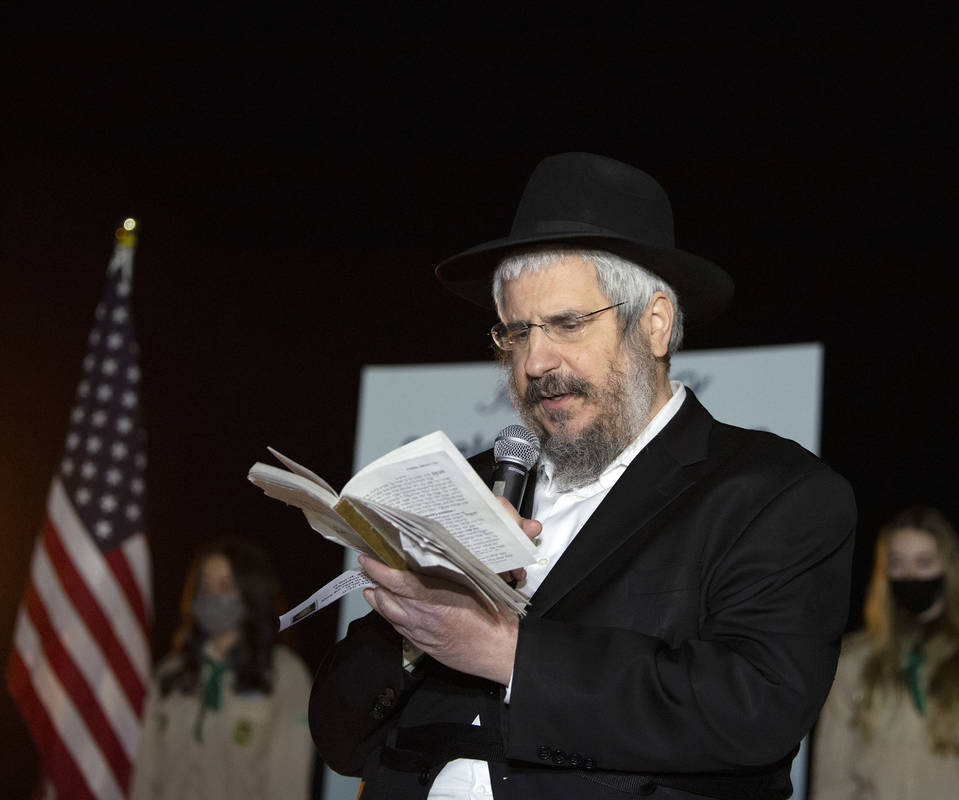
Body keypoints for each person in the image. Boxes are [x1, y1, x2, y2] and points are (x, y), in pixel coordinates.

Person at [308, 151, 857, 799]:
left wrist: (504, 651)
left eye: (567, 323)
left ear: (653, 323)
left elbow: (752, 708)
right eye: (515, 332)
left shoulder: (774, 493)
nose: (535, 360)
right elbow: (338, 737)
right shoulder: (466, 485)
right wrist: (413, 633)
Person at [809, 506, 959, 799]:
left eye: (923, 563)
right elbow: (832, 781)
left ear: (948, 568)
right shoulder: (853, 662)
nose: (909, 575)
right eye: (897, 563)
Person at [130, 536, 314, 800]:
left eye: (225, 586)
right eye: (205, 586)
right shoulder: (171, 674)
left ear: (251, 594)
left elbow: (288, 784)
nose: (213, 596)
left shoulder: (284, 676)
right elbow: (146, 775)